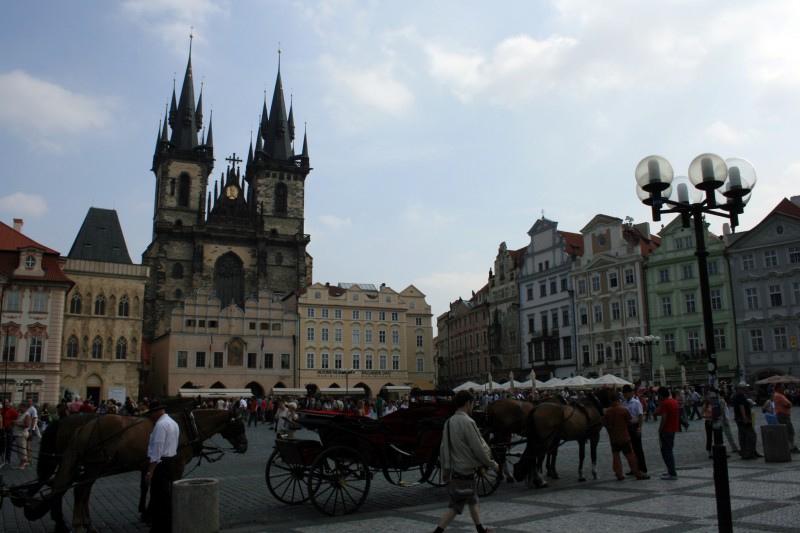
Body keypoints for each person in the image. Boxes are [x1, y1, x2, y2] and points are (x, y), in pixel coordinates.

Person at [433, 390, 498, 533]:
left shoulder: (449, 422)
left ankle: (480, 529)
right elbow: (479, 447)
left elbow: (444, 449)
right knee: (456, 506)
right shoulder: (468, 422)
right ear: (468, 403)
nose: (473, 407)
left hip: (456, 471)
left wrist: (445, 470)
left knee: (473, 499)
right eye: (472, 404)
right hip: (465, 472)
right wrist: (492, 464)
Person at [145, 400, 180, 533]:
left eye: (151, 413)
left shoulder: (160, 425)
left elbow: (157, 451)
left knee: (160, 498)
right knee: (164, 496)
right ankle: (162, 526)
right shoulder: (173, 423)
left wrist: (149, 472)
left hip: (161, 465)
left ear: (157, 412)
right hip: (171, 462)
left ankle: (162, 527)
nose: (150, 416)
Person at [603, 393, 649, 480]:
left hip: (613, 438)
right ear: (618, 400)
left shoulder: (607, 411)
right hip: (624, 436)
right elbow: (630, 422)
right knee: (630, 456)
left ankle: (619, 474)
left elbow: (605, 423)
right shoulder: (623, 410)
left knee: (616, 456)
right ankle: (637, 473)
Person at [621, 384, 647, 475]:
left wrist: (639, 428)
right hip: (627, 427)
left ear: (631, 393)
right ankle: (633, 468)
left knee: (638, 449)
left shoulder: (636, 402)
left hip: (635, 426)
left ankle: (643, 469)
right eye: (624, 392)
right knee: (630, 449)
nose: (624, 394)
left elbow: (641, 416)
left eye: (626, 392)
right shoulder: (623, 403)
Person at [732, 381, 761, 460]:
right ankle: (749, 453)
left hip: (739, 418)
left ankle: (745, 453)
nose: (748, 388)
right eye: (746, 387)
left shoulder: (737, 395)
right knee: (751, 436)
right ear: (743, 388)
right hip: (742, 419)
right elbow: (741, 407)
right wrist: (745, 417)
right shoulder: (740, 395)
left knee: (743, 436)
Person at [656, 387, 679, 480]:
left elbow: (664, 417)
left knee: (666, 452)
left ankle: (672, 473)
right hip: (673, 429)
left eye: (658, 394)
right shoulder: (673, 401)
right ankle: (670, 471)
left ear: (661, 395)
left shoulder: (664, 403)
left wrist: (660, 429)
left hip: (666, 430)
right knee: (669, 450)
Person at [772, 383, 799, 454]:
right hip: (783, 415)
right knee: (789, 431)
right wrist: (789, 403)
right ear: (778, 388)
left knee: (788, 431)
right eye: (782, 387)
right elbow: (788, 404)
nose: (784, 388)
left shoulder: (779, 395)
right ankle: (791, 447)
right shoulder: (779, 396)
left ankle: (791, 446)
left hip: (783, 415)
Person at [717, 387, 740, 455]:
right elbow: (722, 411)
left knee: (728, 434)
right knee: (729, 434)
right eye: (726, 392)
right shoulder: (722, 401)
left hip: (723, 419)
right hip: (724, 419)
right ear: (724, 393)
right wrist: (725, 420)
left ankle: (734, 447)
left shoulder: (721, 400)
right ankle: (734, 447)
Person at [3, 399, 19, 466]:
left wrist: (12, 424)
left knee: (9, 445)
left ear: (9, 403)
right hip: (2, 429)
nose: (6, 404)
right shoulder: (2, 409)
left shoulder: (12, 410)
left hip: (9, 429)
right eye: (4, 403)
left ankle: (7, 459)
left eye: (7, 402)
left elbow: (17, 417)